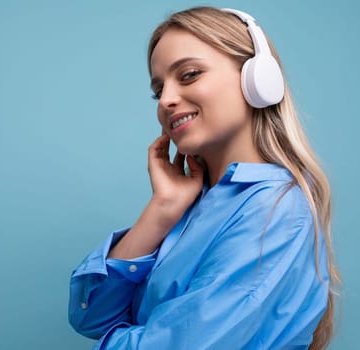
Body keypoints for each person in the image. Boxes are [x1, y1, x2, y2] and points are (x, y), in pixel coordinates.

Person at [68, 6, 340, 350]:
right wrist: (163, 209)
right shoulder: (198, 202)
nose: (166, 99)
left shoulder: (277, 210)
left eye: (190, 74)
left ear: (257, 79)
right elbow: (91, 316)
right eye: (158, 90)